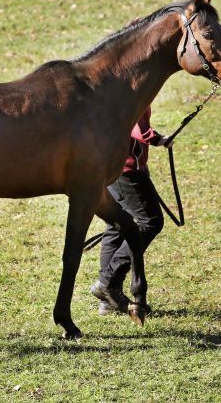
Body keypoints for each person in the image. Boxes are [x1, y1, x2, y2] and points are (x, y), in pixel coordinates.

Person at [90, 106, 172, 314]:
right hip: (126, 171)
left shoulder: (110, 86)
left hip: (108, 166)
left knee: (116, 226)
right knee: (150, 222)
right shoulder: (137, 87)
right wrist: (156, 138)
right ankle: (107, 282)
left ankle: (109, 302)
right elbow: (137, 128)